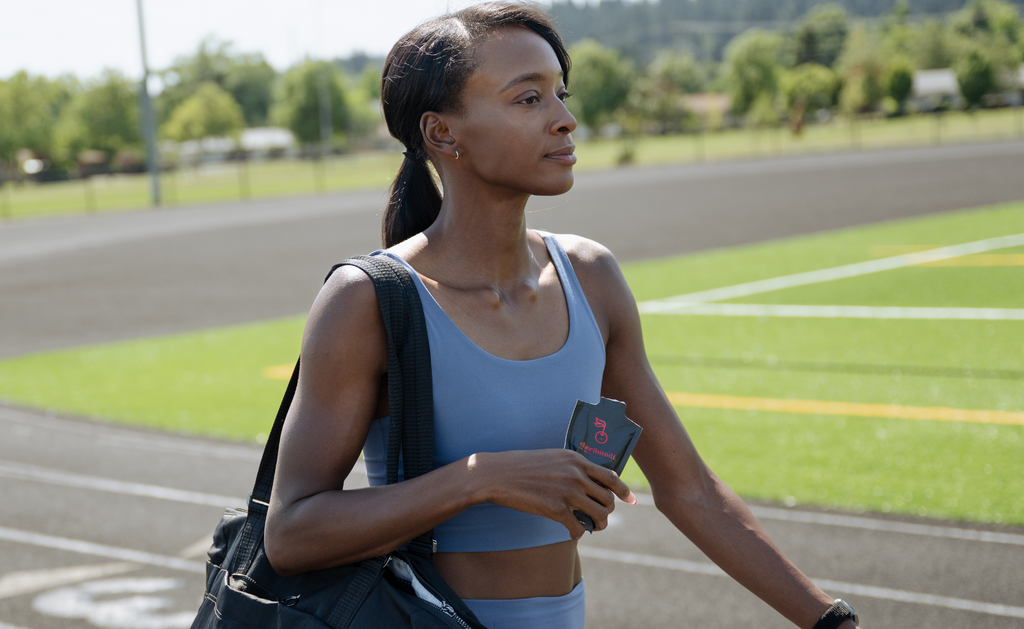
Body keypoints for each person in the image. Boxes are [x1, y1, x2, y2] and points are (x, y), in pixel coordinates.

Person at [264, 3, 860, 628]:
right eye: (528, 99)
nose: (565, 120)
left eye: (560, 94)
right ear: (443, 134)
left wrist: (829, 620)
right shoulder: (368, 300)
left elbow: (691, 492)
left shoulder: (591, 278)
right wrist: (477, 479)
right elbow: (293, 533)